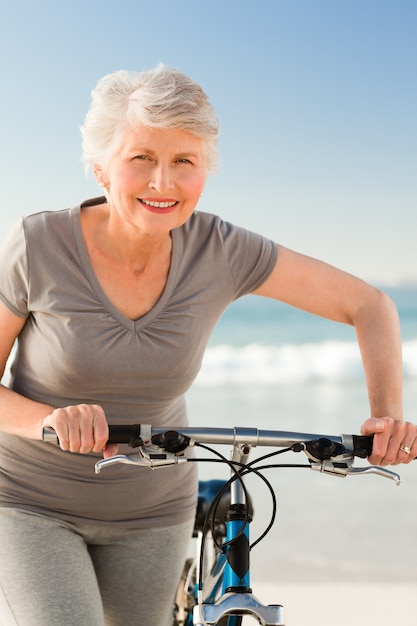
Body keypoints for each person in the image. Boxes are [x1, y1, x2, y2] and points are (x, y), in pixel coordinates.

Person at [0, 64, 414, 626]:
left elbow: (370, 305)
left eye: (184, 162)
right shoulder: (38, 244)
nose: (162, 183)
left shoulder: (221, 250)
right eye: (141, 158)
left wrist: (387, 417)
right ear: (101, 167)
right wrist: (49, 419)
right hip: (31, 502)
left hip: (153, 511)